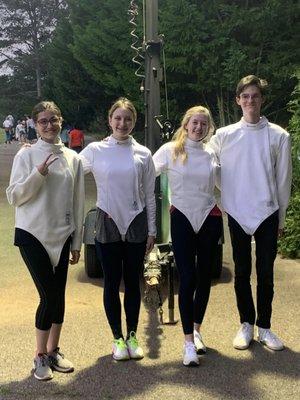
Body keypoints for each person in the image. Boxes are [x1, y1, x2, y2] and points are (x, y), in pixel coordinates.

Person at [209, 75, 292, 351]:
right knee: (242, 271)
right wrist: (229, 195)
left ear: (262, 100)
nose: (250, 101)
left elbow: (283, 180)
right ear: (238, 100)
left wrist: (280, 217)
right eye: (245, 96)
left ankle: (265, 327)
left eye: (255, 96)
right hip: (236, 211)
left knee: (265, 272)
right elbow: (211, 169)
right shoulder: (223, 135)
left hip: (267, 212)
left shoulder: (279, 135)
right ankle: (246, 323)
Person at [6, 101, 85, 381]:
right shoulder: (26, 155)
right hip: (32, 234)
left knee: (59, 297)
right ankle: (39, 356)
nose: (49, 125)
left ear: (61, 121)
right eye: (43, 121)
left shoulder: (73, 158)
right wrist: (38, 175)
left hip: (62, 235)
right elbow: (14, 196)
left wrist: (77, 242)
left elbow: (77, 202)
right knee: (48, 296)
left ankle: (53, 351)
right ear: (35, 125)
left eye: (54, 119)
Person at [80, 98, 156, 361]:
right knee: (111, 282)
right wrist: (44, 151)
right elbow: (71, 169)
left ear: (134, 122)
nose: (122, 123)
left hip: (136, 222)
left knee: (133, 283)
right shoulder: (95, 150)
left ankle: (133, 335)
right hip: (107, 220)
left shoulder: (143, 153)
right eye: (118, 118)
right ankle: (117, 339)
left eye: (128, 119)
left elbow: (149, 194)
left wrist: (152, 230)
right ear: (110, 120)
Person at [153, 106, 223, 367]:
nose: (198, 128)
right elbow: (143, 170)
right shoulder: (170, 151)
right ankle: (187, 343)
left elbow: (224, 183)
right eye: (195, 123)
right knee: (188, 278)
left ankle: (196, 330)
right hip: (182, 217)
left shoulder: (212, 152)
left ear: (208, 128)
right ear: (186, 124)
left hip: (209, 217)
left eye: (204, 124)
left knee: (205, 278)